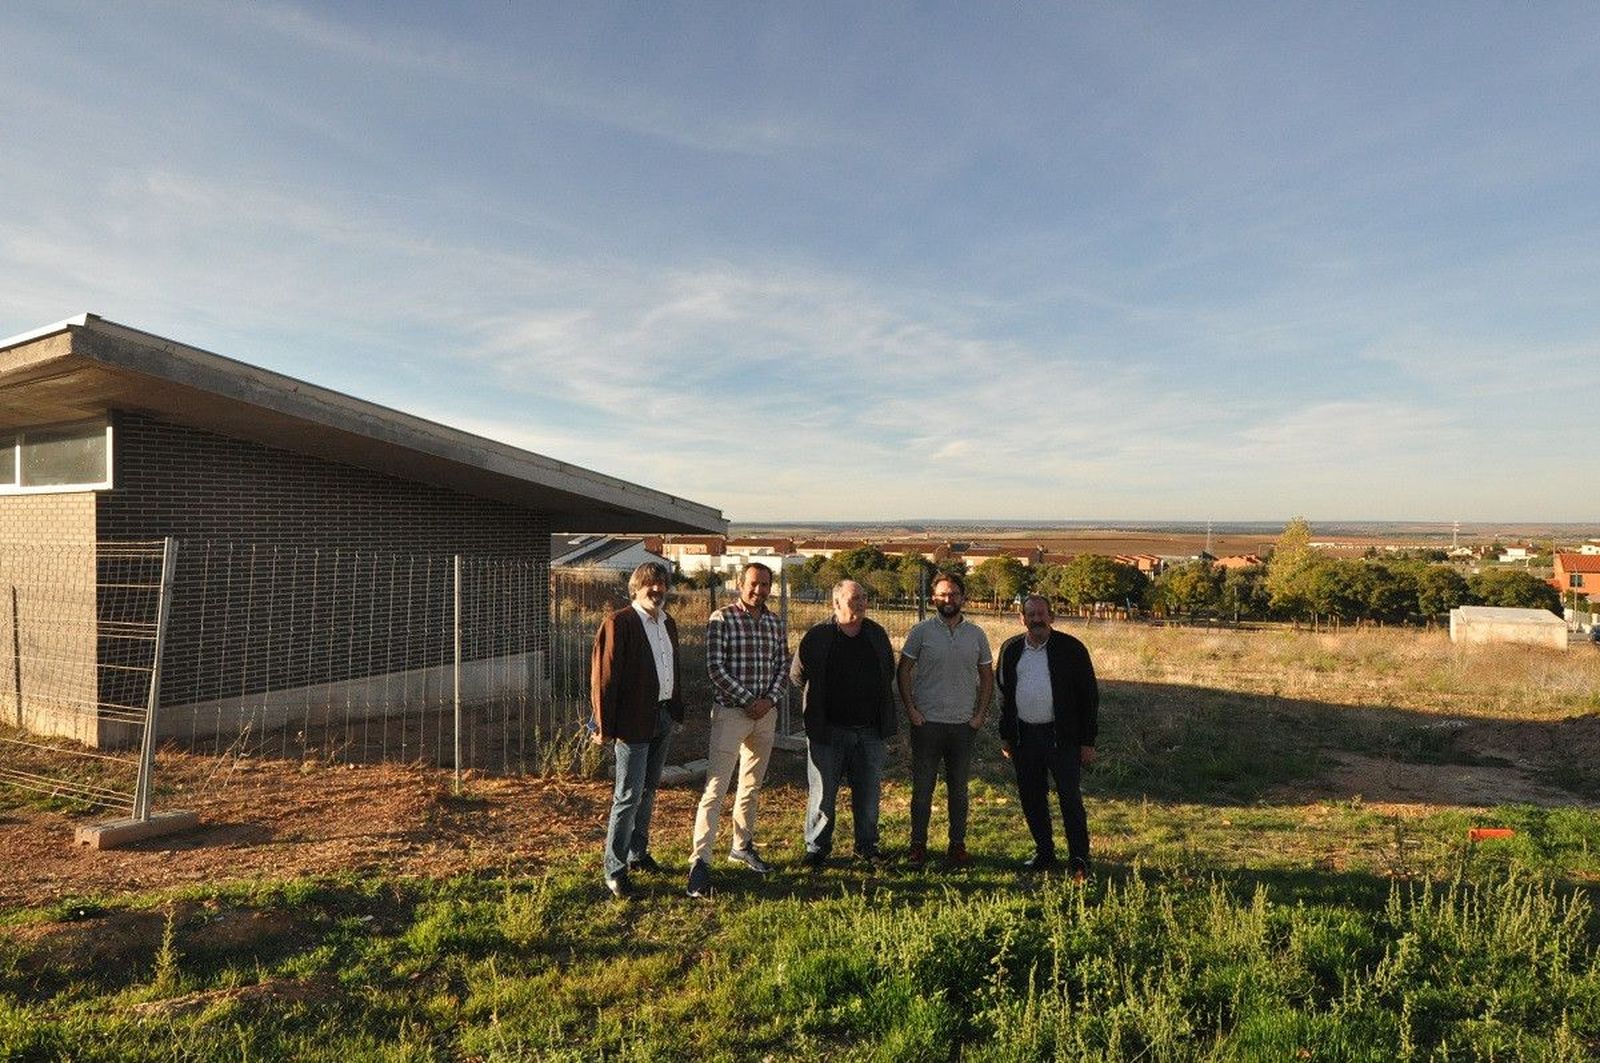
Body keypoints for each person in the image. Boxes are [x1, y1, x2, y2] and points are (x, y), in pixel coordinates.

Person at [687, 562, 789, 897]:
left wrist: (769, 700)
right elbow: (715, 668)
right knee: (716, 788)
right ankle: (700, 861)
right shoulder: (722, 618)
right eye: (754, 584)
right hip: (732, 713)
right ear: (740, 584)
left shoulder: (775, 623)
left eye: (765, 585)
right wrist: (748, 700)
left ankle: (741, 846)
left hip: (765, 715)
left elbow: (782, 665)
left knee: (751, 786)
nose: (759, 590)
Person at [590, 562, 684, 900]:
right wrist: (603, 725)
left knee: (648, 789)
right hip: (633, 722)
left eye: (661, 584)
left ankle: (637, 853)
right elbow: (604, 678)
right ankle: (614, 870)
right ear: (636, 588)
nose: (657, 590)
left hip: (662, 716)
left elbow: (671, 668)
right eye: (649, 584)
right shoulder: (619, 623)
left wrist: (675, 710)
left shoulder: (667, 623)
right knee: (628, 795)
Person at [790, 579, 897, 869]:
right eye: (853, 598)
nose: (860, 603)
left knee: (869, 794)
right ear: (836, 603)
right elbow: (797, 676)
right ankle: (817, 849)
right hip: (828, 731)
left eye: (863, 597)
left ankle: (867, 846)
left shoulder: (876, 634)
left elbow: (888, 671)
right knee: (823, 794)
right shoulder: (818, 636)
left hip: (869, 731)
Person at [995, 593, 1098, 878]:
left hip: (1062, 737)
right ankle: (1044, 852)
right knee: (1032, 797)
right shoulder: (1011, 649)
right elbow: (1004, 696)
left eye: (1042, 614)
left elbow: (1089, 697)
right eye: (1031, 614)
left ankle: (1079, 858)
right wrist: (1006, 736)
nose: (1037, 619)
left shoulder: (1072, 649)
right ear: (1022, 619)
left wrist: (1088, 741)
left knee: (1069, 798)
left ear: (1051, 616)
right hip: (1024, 737)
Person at [897, 572, 993, 868]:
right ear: (933, 598)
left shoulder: (976, 634)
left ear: (963, 597)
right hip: (927, 724)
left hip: (963, 726)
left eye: (953, 594)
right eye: (942, 594)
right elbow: (903, 670)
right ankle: (917, 846)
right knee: (922, 789)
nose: (948, 599)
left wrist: (979, 715)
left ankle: (957, 845)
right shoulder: (921, 632)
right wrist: (911, 710)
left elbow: (987, 676)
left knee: (959, 791)